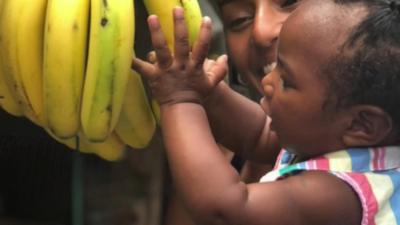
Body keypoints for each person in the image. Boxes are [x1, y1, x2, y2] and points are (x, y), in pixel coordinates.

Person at [134, 0, 400, 224]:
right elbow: (259, 134)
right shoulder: (330, 139)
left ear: (362, 124)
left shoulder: (339, 193)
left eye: (287, 80)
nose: (267, 82)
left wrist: (180, 99)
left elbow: (224, 208)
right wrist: (208, 94)